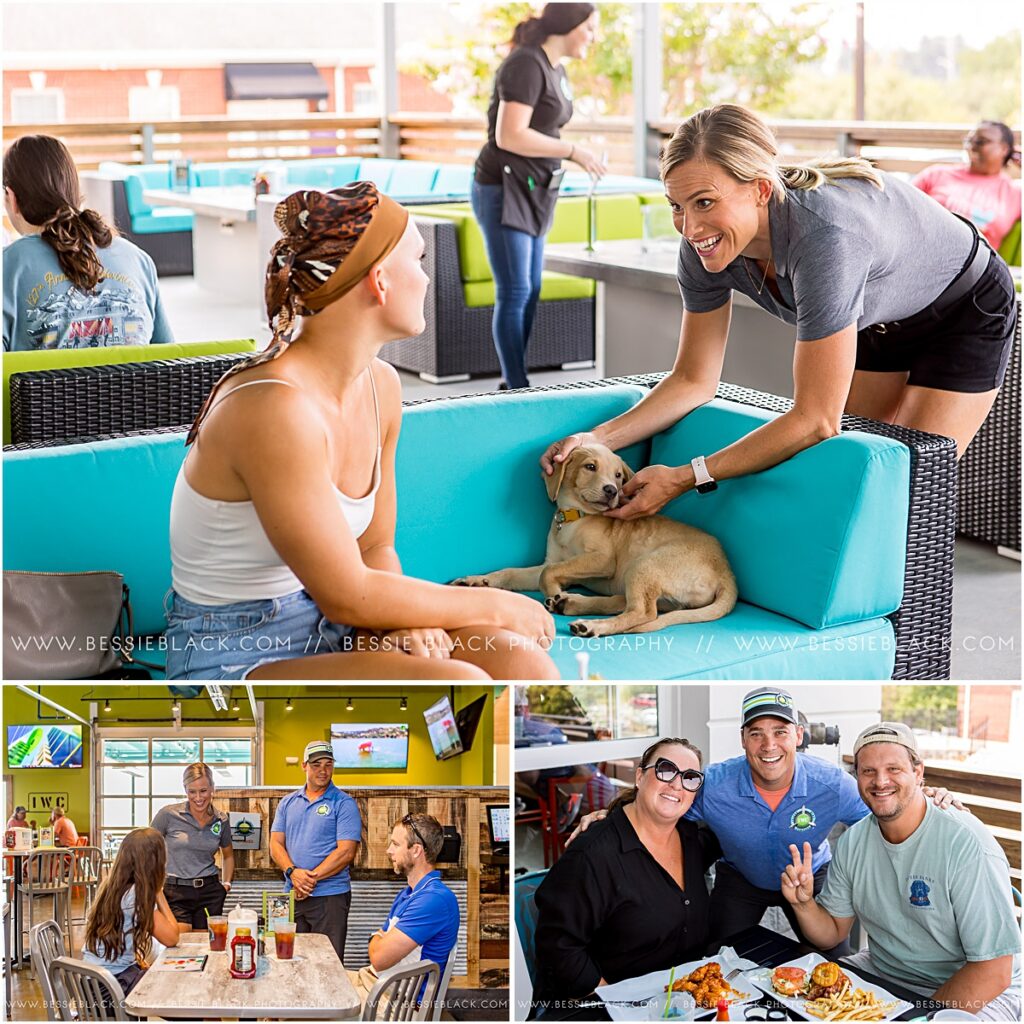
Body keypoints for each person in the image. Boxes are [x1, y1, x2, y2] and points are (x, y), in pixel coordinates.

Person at [542, 104, 1018, 518]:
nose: (690, 227)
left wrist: (689, 476)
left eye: (705, 202)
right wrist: (596, 438)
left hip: (964, 307)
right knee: (853, 465)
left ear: (761, 190)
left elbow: (815, 418)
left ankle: (907, 620)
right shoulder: (703, 246)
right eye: (677, 206)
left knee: (904, 482)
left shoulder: (825, 239)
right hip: (874, 311)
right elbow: (692, 380)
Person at [165, 183, 557, 682]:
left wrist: (399, 624)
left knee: (519, 659)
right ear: (380, 282)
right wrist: (498, 606)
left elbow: (373, 548)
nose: (426, 276)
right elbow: (346, 591)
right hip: (234, 650)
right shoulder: (272, 409)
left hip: (338, 624)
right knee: (463, 681)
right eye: (418, 259)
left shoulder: (381, 386)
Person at [570, 687, 961, 954]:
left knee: (833, 960)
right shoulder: (716, 784)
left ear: (799, 736)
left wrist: (929, 797)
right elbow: (664, 802)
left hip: (813, 879)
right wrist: (613, 815)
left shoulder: (832, 784)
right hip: (742, 880)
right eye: (756, 733)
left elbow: (885, 808)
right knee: (714, 957)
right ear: (743, 739)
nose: (768, 745)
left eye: (780, 732)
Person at [781, 723, 1020, 1022]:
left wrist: (916, 1017)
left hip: (979, 989)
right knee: (799, 1004)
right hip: (884, 970)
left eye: (894, 769)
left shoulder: (965, 844)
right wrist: (803, 903)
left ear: (919, 772)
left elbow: (994, 972)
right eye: (868, 771)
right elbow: (831, 934)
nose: (880, 781)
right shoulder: (853, 841)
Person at [472, 3, 606, 390]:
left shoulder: (555, 69)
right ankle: (517, 385)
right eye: (590, 28)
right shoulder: (526, 65)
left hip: (534, 189)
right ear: (569, 25)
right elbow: (509, 135)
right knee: (514, 289)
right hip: (503, 187)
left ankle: (514, 381)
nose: (593, 38)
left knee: (530, 287)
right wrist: (573, 152)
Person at [532, 737, 720, 1009]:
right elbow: (558, 948)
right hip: (614, 1006)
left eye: (690, 778)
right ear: (640, 776)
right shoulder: (592, 854)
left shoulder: (694, 839)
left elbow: (743, 835)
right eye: (665, 770)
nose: (677, 784)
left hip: (684, 1001)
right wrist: (618, 1004)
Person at [2, 134, 174, 351]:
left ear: (12, 197)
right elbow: (168, 358)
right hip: (132, 386)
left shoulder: (7, 266)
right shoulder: (138, 259)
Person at [349, 813, 460, 1008]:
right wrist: (379, 939)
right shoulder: (409, 893)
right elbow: (379, 949)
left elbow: (378, 958)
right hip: (377, 984)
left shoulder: (433, 900)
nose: (388, 850)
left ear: (416, 850)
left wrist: (377, 937)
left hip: (398, 1004)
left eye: (395, 844)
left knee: (306, 1005)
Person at [270, 740, 362, 961]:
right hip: (291, 894)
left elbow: (346, 852)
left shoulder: (344, 803)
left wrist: (307, 880)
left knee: (327, 963)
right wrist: (294, 874)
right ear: (304, 766)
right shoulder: (287, 802)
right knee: (285, 957)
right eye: (316, 764)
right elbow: (275, 845)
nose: (323, 770)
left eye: (328, 764)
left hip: (330, 897)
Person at [81, 827, 180, 996]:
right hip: (109, 986)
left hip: (92, 980)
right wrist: (157, 890)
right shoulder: (136, 895)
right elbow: (172, 937)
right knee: (179, 993)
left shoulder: (113, 885)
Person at [913, 121, 1021, 251]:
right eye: (969, 141)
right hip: (922, 250)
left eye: (981, 142)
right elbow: (900, 207)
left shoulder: (1014, 193)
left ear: (1004, 149)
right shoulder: (935, 174)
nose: (971, 147)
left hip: (974, 264)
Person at [150, 762, 234, 930]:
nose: (198, 798)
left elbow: (228, 855)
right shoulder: (168, 815)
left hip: (210, 891)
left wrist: (226, 885)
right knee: (180, 942)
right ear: (185, 790)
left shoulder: (221, 820)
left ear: (212, 789)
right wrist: (154, 884)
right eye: (192, 792)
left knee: (206, 944)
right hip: (175, 891)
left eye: (203, 791)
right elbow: (148, 849)